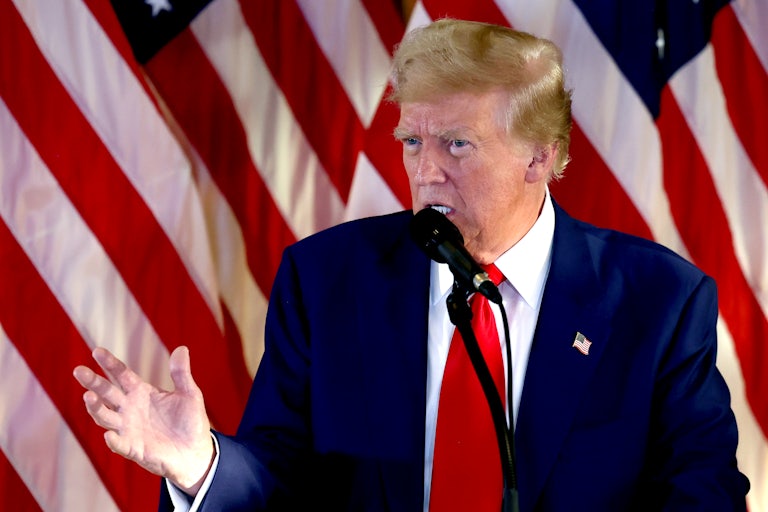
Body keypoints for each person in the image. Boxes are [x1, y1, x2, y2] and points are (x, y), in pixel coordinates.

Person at [73, 19, 749, 511]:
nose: (426, 172)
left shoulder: (657, 302)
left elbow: (703, 492)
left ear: (540, 156)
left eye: (457, 145)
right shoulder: (327, 281)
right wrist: (201, 466)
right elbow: (281, 481)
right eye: (411, 141)